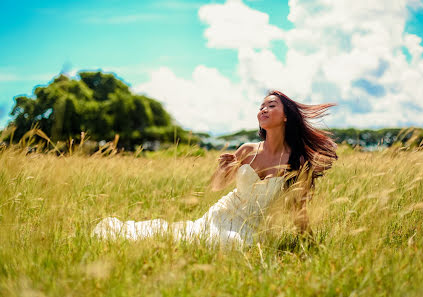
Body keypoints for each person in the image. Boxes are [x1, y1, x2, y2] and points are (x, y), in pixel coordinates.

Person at [92, 90, 338, 250]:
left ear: (286, 116)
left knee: (234, 244)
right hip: (222, 213)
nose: (263, 109)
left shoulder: (298, 161)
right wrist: (223, 169)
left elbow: (299, 209)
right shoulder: (247, 150)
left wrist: (309, 244)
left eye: (271, 105)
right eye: (261, 106)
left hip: (254, 228)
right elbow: (217, 186)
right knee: (190, 238)